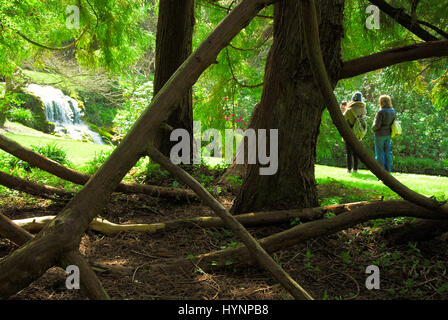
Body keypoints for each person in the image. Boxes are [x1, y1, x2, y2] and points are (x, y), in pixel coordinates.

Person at [343, 92, 367, 174]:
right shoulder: (364, 109)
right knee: (356, 152)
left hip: (350, 132)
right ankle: (355, 169)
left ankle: (349, 169)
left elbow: (343, 119)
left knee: (349, 152)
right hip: (358, 132)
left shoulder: (349, 110)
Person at [372, 95, 396, 172]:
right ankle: (387, 171)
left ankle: (380, 171)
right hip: (388, 134)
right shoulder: (393, 111)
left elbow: (377, 125)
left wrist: (372, 128)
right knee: (387, 153)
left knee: (380, 154)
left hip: (380, 134)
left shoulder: (381, 111)